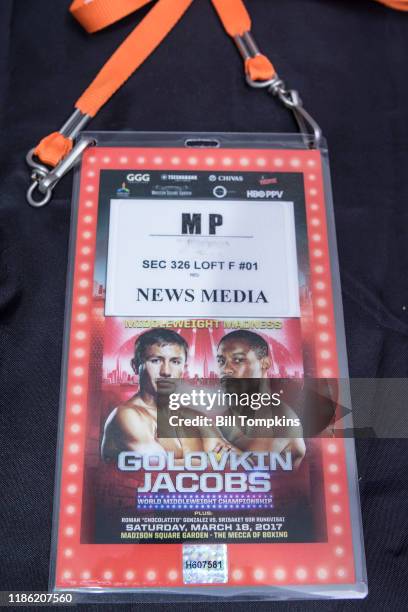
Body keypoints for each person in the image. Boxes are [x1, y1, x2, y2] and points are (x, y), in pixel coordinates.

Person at [101, 328, 233, 462]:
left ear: (184, 368)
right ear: (135, 366)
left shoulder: (193, 417)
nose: (166, 372)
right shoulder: (127, 415)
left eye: (175, 362)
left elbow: (241, 461)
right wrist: (216, 460)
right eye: (156, 360)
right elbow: (161, 467)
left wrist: (217, 459)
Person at [216, 330, 306, 469]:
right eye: (221, 361)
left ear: (265, 363)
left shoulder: (281, 418)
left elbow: (253, 469)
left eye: (238, 360)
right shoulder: (225, 415)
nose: (225, 369)